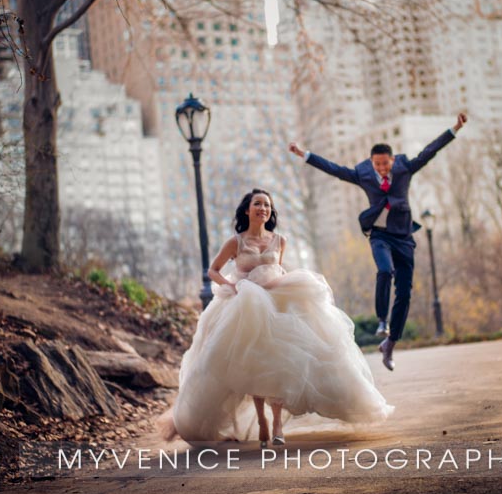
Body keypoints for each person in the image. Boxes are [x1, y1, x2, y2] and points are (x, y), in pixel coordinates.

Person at [163, 188, 394, 448]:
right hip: (246, 304)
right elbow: (213, 270)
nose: (263, 209)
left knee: (282, 362)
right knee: (253, 362)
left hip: (278, 302)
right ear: (247, 210)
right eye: (258, 204)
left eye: (267, 205)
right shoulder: (235, 242)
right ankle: (261, 419)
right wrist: (233, 285)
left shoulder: (279, 240)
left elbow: (278, 269)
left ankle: (276, 423)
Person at [288, 113, 467, 372]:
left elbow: (429, 151)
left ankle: (390, 344)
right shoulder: (364, 174)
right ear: (372, 163)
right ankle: (382, 320)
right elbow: (335, 169)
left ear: (392, 161)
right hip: (379, 235)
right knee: (385, 271)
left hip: (404, 236)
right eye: (377, 165)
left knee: (404, 293)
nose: (382, 169)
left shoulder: (405, 168)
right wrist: (304, 154)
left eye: (385, 164)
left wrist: (455, 128)